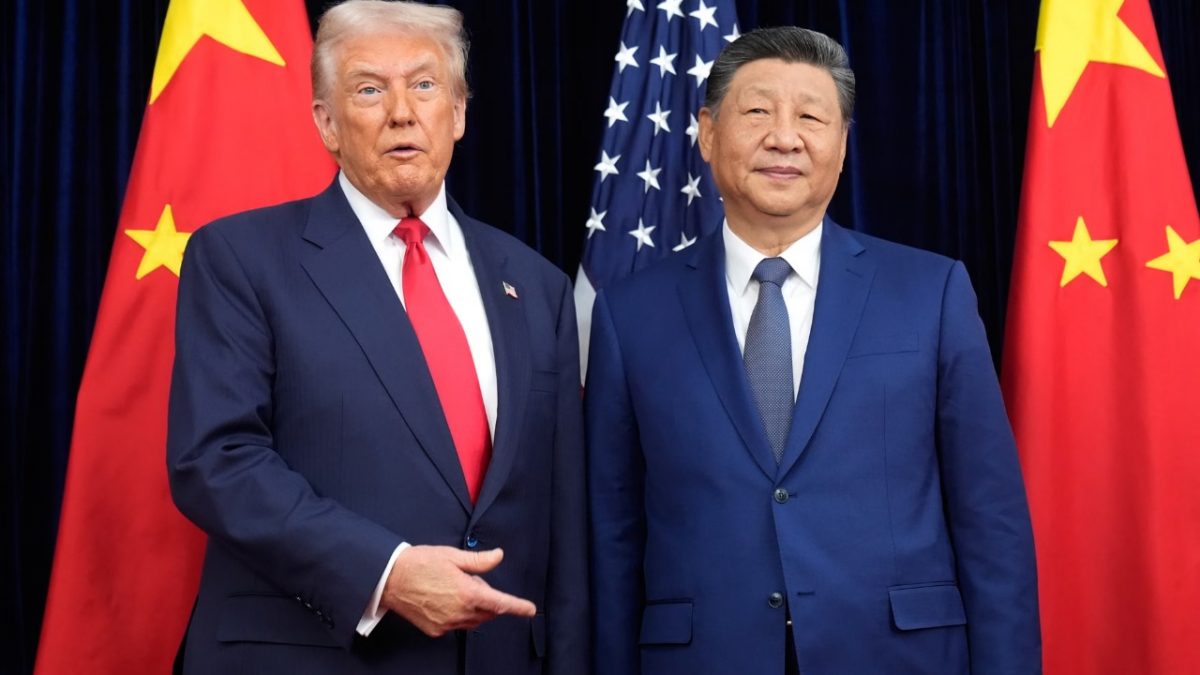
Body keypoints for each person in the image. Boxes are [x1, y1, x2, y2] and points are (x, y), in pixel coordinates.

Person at [586, 26, 1039, 675]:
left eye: (810, 116)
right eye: (759, 111)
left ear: (843, 142)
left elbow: (990, 520)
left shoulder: (930, 292)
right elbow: (613, 536)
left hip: (898, 654)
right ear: (708, 133)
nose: (784, 137)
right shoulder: (631, 314)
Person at [166, 2, 587, 673]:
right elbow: (216, 461)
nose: (401, 112)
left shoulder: (536, 287)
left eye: (424, 85)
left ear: (459, 112)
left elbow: (563, 518)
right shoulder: (241, 258)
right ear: (326, 123)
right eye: (368, 89)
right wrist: (384, 571)